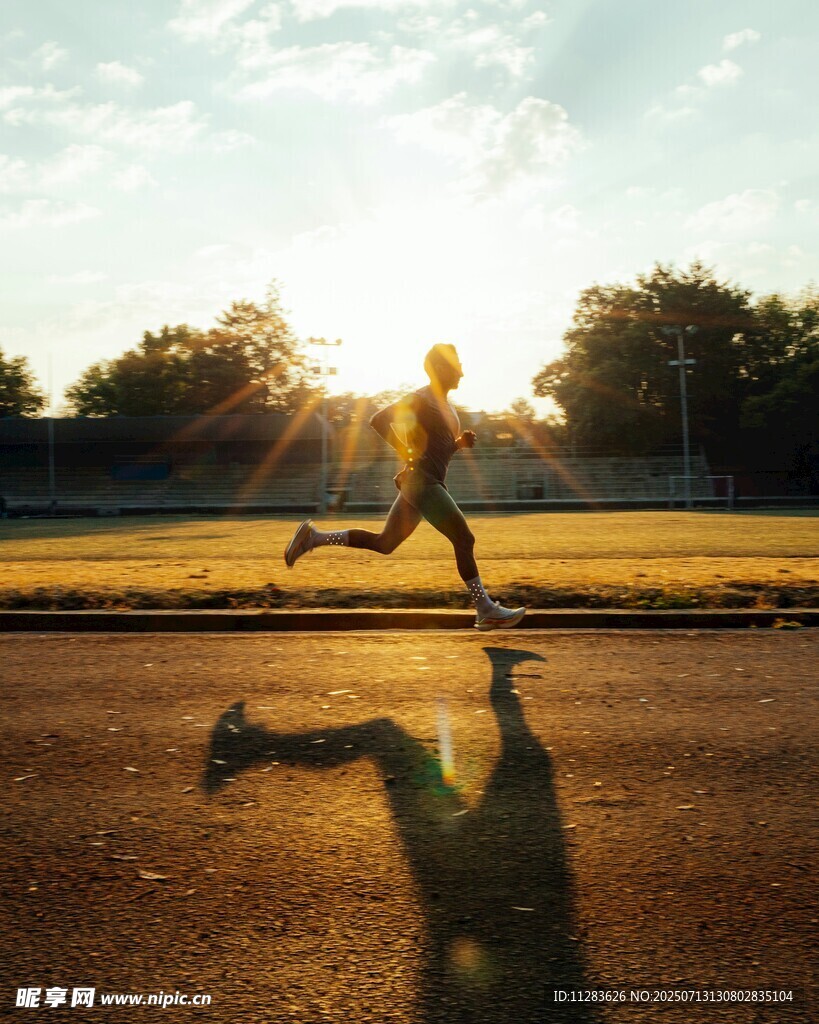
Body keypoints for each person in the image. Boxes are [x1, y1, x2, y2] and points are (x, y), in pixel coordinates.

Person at [284, 343, 525, 631]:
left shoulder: (445, 406)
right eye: (456, 364)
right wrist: (407, 454)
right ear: (439, 368)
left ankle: (314, 538)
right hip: (422, 482)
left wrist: (458, 445)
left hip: (423, 481)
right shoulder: (421, 399)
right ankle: (484, 607)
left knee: (384, 543)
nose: (462, 370)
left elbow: (435, 450)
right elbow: (379, 420)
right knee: (464, 539)